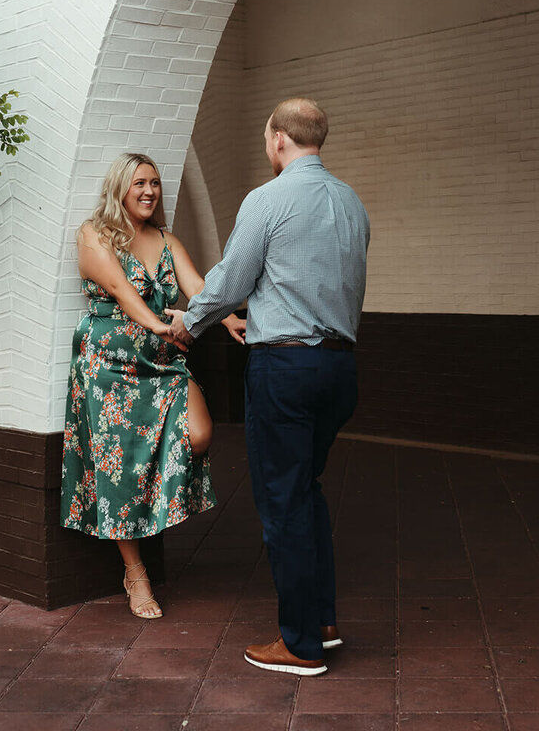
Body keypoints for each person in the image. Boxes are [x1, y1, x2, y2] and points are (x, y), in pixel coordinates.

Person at [165, 98, 370, 674]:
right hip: (339, 368)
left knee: (283, 501)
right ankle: (322, 622)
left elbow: (233, 278)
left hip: (286, 368)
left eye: (265, 138)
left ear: (278, 139)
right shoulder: (351, 203)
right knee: (307, 491)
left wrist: (189, 321)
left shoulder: (268, 198)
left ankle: (300, 644)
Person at [60, 151, 246, 619]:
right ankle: (135, 573)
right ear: (120, 187)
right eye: (139, 182)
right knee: (118, 469)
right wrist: (163, 327)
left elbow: (198, 288)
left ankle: (152, 509)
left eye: (155, 183)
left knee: (199, 435)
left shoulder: (166, 238)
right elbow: (122, 291)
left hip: (160, 363)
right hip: (108, 364)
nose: (149, 191)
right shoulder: (94, 233)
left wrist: (224, 322)